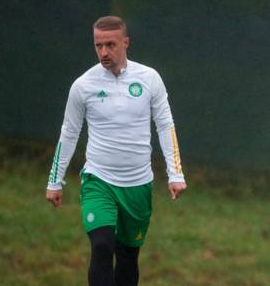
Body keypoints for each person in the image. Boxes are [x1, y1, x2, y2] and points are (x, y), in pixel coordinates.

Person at [45, 15, 187, 286]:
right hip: (99, 181)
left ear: (126, 43)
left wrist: (175, 173)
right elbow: (69, 133)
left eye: (110, 45)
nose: (103, 52)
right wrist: (55, 180)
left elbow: (166, 125)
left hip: (138, 185)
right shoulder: (83, 85)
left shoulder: (149, 79)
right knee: (101, 246)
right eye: (98, 45)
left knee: (127, 257)